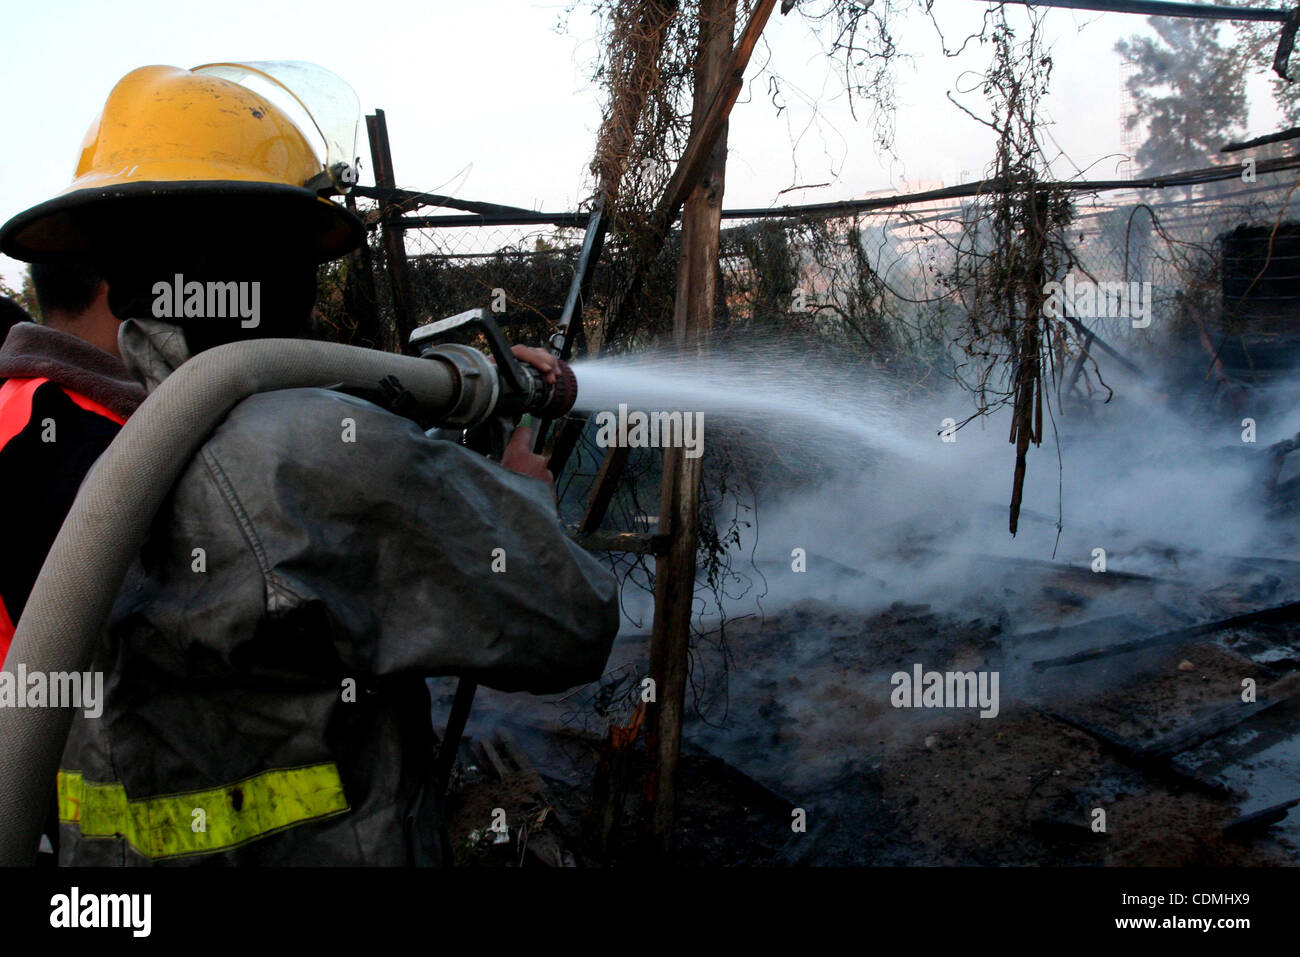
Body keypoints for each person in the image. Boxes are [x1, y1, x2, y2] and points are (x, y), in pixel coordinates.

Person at [0, 63, 620, 865]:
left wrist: (398, 408)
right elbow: (571, 621)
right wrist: (521, 499)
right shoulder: (294, 456)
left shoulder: (126, 449)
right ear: (279, 259)